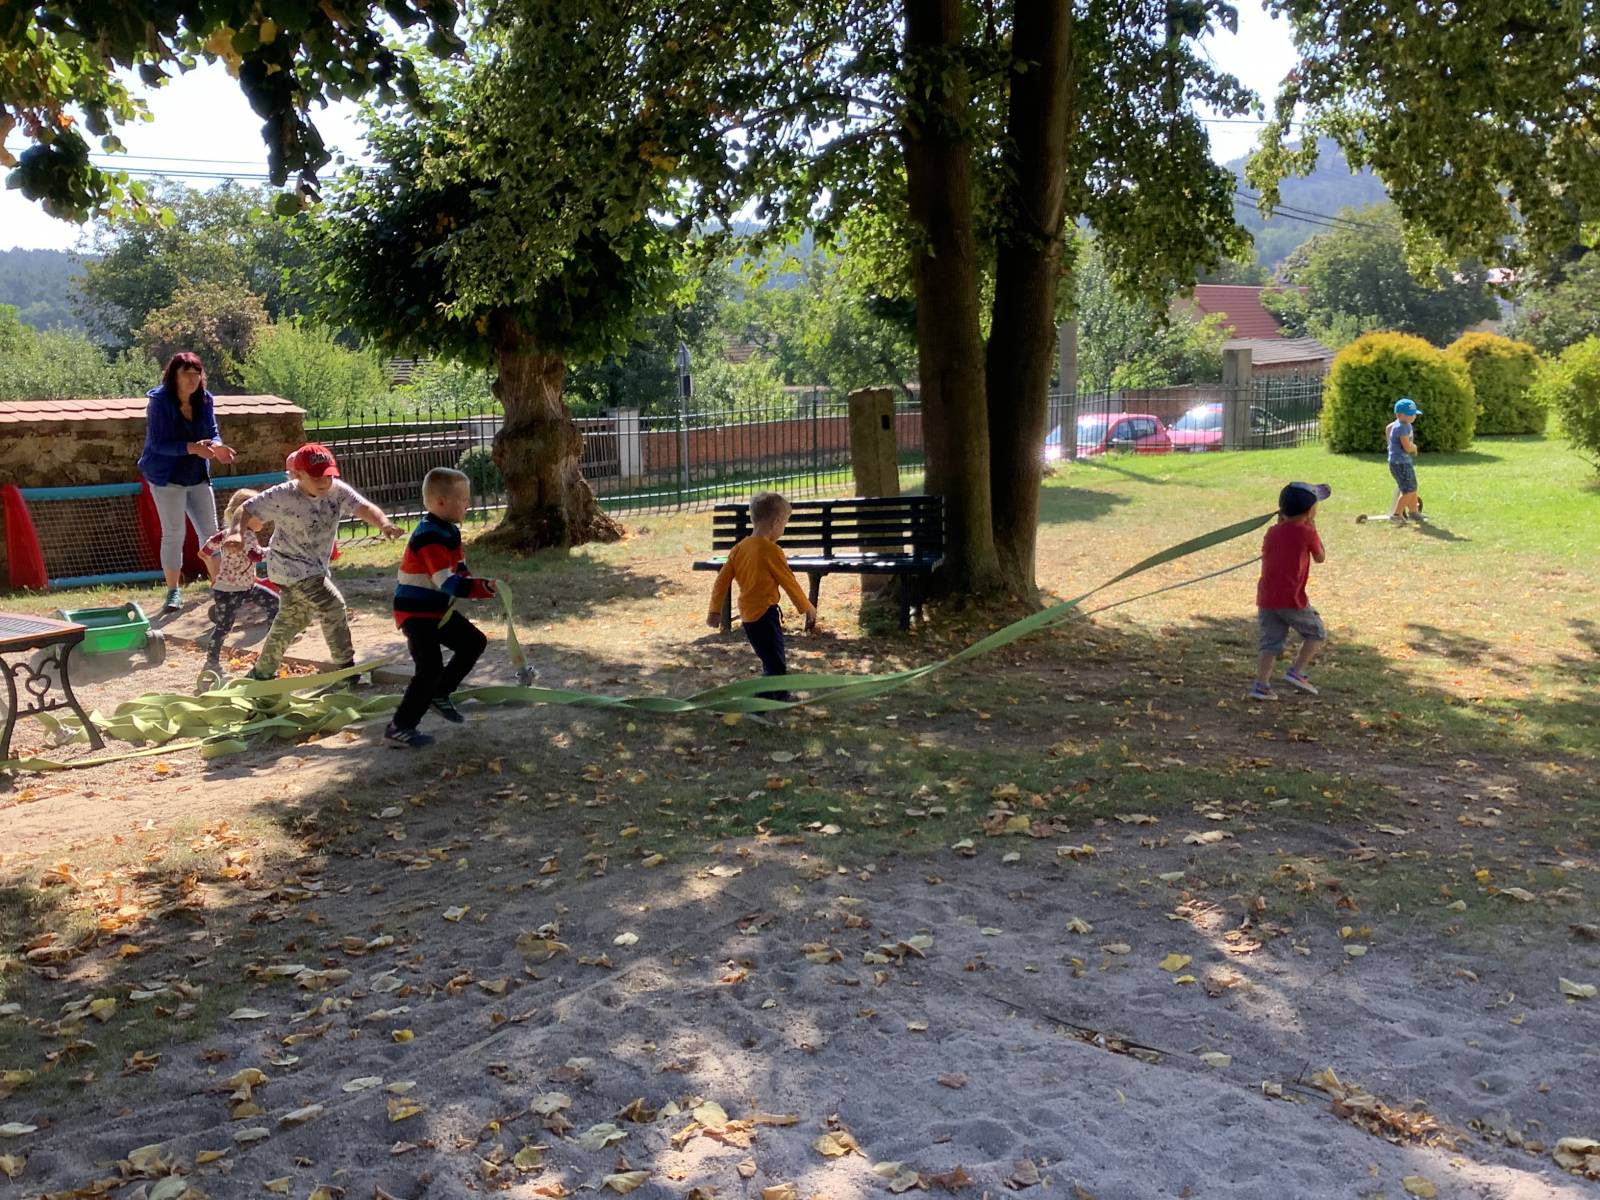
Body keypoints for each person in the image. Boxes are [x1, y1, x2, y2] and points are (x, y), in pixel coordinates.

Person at [239, 443, 404, 682]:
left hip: (314, 568)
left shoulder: (337, 490)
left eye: (328, 475)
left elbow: (364, 508)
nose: (324, 482)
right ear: (298, 475)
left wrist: (384, 524)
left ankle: (260, 673)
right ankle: (346, 668)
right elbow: (247, 508)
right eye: (316, 477)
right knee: (332, 605)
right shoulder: (282, 494)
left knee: (293, 620)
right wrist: (235, 533)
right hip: (288, 566)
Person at [384, 468, 496, 748]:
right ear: (441, 502)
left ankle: (439, 693)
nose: (468, 504)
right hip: (416, 613)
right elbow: (445, 581)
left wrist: (481, 586)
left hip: (437, 612)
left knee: (473, 642)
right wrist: (478, 588)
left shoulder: (449, 531)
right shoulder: (429, 536)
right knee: (430, 667)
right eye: (463, 499)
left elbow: (459, 569)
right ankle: (400, 727)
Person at [137, 351, 237, 612]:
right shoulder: (159, 402)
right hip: (166, 476)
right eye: (186, 374)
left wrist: (217, 447)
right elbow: (158, 444)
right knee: (174, 533)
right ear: (174, 376)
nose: (192, 380)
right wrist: (193, 448)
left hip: (196, 475)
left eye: (196, 374)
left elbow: (212, 432)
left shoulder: (205, 399)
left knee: (211, 533)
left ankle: (222, 589)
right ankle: (173, 592)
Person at [706, 491, 818, 702]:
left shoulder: (739, 548)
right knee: (774, 664)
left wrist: (714, 610)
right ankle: (757, 705)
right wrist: (807, 607)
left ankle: (781, 695)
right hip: (765, 614)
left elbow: (721, 581)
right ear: (776, 522)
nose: (783, 529)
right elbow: (789, 582)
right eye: (784, 524)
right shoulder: (771, 550)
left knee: (773, 659)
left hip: (748, 616)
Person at [194, 489, 280, 691]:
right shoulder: (247, 536)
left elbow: (204, 552)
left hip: (245, 586)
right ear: (247, 515)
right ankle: (211, 664)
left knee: (274, 603)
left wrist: (214, 573)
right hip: (230, 590)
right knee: (224, 627)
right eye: (260, 514)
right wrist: (277, 549)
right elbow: (256, 556)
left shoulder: (225, 534)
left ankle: (270, 651)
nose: (264, 519)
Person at [1252, 481, 1329, 701]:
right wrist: (1312, 526)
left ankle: (1261, 685)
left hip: (1267, 597)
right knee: (1316, 632)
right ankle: (1297, 671)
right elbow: (1320, 557)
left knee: (1270, 642)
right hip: (1291, 598)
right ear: (1310, 511)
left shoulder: (1272, 532)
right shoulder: (1307, 532)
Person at [1386, 397, 1424, 524]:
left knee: (1412, 488)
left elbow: (1388, 427)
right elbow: (1407, 447)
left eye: (1414, 414)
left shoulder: (1401, 424)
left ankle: (1414, 512)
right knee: (1408, 490)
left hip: (1401, 462)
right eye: (1410, 415)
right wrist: (1414, 447)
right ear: (1399, 415)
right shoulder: (1402, 427)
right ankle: (1396, 515)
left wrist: (1390, 444)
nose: (1413, 417)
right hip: (1400, 463)